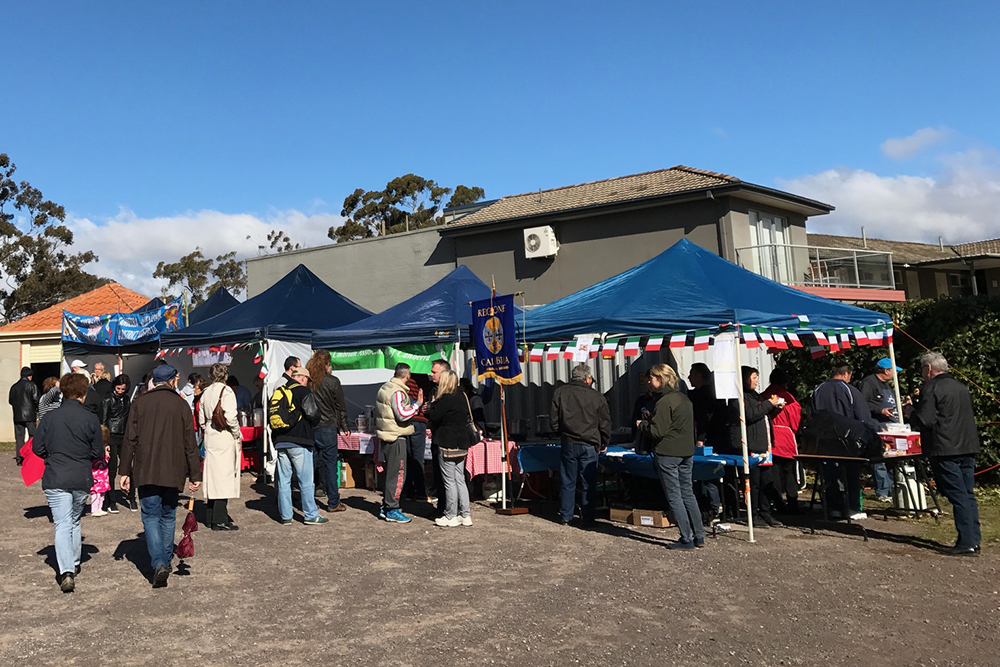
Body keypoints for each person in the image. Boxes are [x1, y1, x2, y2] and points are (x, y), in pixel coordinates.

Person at [120, 364, 202, 588]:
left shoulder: (140, 403)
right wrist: (195, 473)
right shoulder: (181, 405)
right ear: (173, 380)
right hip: (173, 470)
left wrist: (124, 471)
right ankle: (163, 561)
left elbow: (130, 440)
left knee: (150, 516)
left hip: (146, 469)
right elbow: (190, 443)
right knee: (167, 516)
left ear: (154, 380)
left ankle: (159, 563)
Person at [904, 351, 982, 556]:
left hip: (945, 447)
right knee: (967, 493)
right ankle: (974, 538)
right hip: (967, 445)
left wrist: (910, 412)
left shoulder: (932, 388)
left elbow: (926, 420)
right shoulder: (961, 387)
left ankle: (966, 541)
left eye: (922, 369)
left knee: (957, 495)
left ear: (928, 369)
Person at [32, 372, 102, 593]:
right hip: (80, 475)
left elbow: (37, 448)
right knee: (74, 519)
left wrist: (53, 456)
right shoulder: (90, 418)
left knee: (62, 523)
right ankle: (74, 561)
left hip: (56, 474)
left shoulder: (50, 417)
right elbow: (98, 451)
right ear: (83, 393)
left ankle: (66, 571)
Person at [637, 364, 703, 549]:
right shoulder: (684, 398)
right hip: (686, 452)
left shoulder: (664, 402)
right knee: (688, 493)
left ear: (661, 379)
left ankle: (686, 538)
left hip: (668, 453)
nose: (649, 381)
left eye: (651, 378)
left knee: (675, 496)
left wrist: (642, 425)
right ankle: (699, 535)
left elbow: (658, 431)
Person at [813, 363, 878, 520]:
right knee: (850, 474)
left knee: (829, 474)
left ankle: (833, 507)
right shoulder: (850, 390)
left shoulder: (818, 390)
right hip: (848, 442)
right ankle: (853, 507)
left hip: (824, 441)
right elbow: (863, 418)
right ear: (846, 374)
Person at [551, 364, 611, 526]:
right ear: (587, 379)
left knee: (568, 480)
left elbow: (554, 421)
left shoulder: (560, 393)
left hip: (569, 443)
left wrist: (561, 434)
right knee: (588, 482)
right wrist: (604, 441)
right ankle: (588, 517)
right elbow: (604, 423)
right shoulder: (597, 396)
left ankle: (566, 515)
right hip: (590, 444)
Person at [723, 366, 783, 528]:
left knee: (767, 481)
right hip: (750, 445)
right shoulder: (738, 398)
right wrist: (769, 404)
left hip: (764, 446)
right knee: (753, 482)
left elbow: (761, 414)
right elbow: (749, 415)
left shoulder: (756, 396)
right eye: (754, 377)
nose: (757, 381)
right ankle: (753, 513)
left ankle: (766, 512)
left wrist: (773, 407)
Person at [270, 365, 327, 526]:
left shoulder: (279, 391)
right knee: (306, 481)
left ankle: (286, 516)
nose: (308, 383)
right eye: (307, 380)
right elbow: (312, 413)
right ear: (302, 378)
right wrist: (314, 423)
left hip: (281, 440)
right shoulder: (303, 392)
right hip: (300, 441)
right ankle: (310, 515)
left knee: (284, 481)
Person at [375, 363, 423, 524]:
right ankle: (392, 509)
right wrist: (417, 405)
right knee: (398, 475)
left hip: (388, 434)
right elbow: (402, 415)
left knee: (391, 474)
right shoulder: (397, 391)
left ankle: (387, 506)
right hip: (396, 436)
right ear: (407, 376)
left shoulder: (386, 387)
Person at [426, 370, 475, 528]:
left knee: (449, 481)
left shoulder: (445, 398)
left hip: (447, 442)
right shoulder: (462, 396)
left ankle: (450, 515)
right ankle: (465, 515)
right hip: (462, 443)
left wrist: (432, 404)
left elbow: (433, 416)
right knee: (460, 479)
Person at [198, 363, 243, 531]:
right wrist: (237, 433)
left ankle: (212, 516)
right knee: (223, 477)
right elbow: (231, 416)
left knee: (213, 476)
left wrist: (207, 428)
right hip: (224, 435)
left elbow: (201, 417)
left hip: (211, 434)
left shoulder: (206, 392)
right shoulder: (227, 391)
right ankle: (219, 518)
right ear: (225, 375)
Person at [306, 350, 350, 513]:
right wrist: (345, 426)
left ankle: (309, 500)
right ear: (327, 363)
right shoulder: (332, 381)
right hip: (328, 427)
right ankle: (333, 502)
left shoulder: (309, 381)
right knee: (331, 465)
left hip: (311, 426)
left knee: (310, 466)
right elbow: (340, 407)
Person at [859, 358, 903, 502]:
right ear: (886, 370)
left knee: (892, 458)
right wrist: (880, 410)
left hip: (892, 427)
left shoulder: (888, 386)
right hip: (877, 426)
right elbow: (862, 404)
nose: (895, 374)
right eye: (894, 371)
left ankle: (891, 488)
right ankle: (883, 491)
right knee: (879, 458)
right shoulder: (869, 383)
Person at [762, 368, 802, 514]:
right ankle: (792, 501)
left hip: (769, 436)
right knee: (789, 471)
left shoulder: (765, 395)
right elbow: (795, 422)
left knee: (774, 471)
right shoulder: (789, 399)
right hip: (786, 436)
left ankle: (777, 502)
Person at [99, 374, 133, 513]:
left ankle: (132, 497)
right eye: (118, 388)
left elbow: (129, 417)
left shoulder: (127, 400)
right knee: (111, 469)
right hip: (111, 436)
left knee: (128, 467)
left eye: (123, 389)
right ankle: (111, 500)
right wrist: (104, 441)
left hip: (123, 436)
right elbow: (103, 420)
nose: (120, 391)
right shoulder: (106, 400)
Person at [403, 370, 434, 504]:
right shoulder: (422, 378)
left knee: (408, 457)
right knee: (417, 457)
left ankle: (409, 490)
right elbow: (427, 396)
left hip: (405, 420)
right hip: (418, 419)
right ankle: (421, 492)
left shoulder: (404, 378)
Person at [9, 366, 39, 466]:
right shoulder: (32, 385)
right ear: (29, 376)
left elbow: (10, 401)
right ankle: (30, 457)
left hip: (17, 416)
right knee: (32, 436)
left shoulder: (14, 387)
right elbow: (36, 399)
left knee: (19, 438)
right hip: (30, 415)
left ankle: (19, 458)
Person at [89, 436, 111, 517]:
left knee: (102, 495)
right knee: (95, 494)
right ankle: (94, 509)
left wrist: (106, 453)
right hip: (96, 478)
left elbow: (106, 460)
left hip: (103, 477)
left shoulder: (102, 458)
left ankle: (99, 508)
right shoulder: (93, 457)